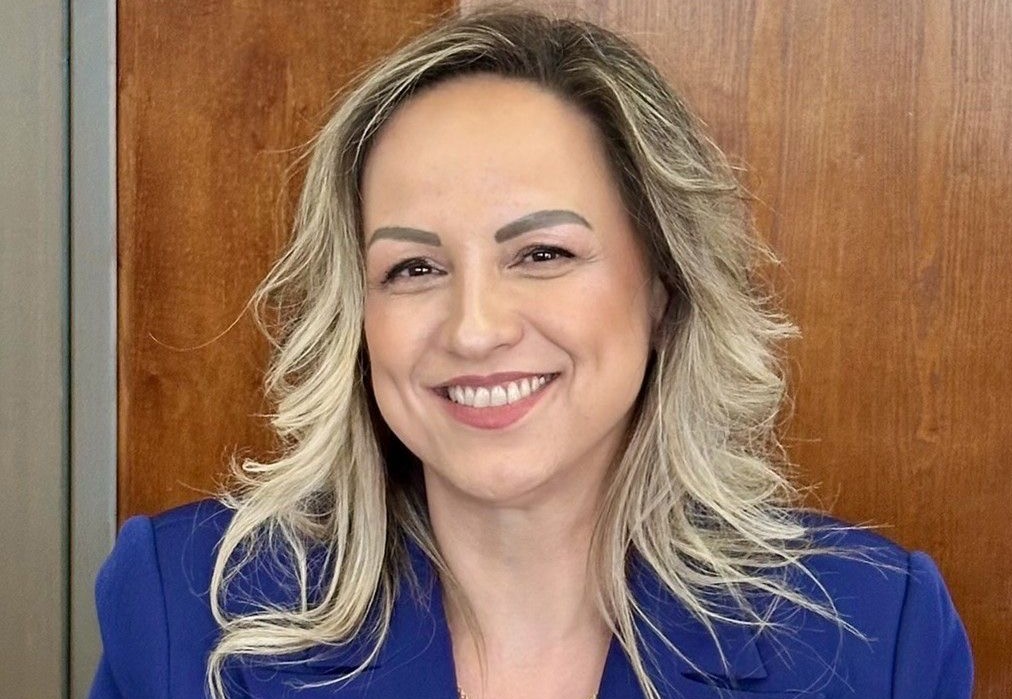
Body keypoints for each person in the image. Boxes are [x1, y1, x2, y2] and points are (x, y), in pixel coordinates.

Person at [89, 7, 972, 699]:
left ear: (663, 288)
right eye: (413, 267)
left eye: (543, 253)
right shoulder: (182, 612)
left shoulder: (876, 637)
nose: (474, 328)